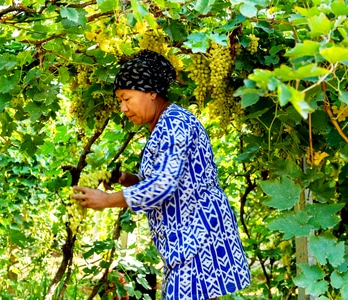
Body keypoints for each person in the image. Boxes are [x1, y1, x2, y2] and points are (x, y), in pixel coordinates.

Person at [72, 50, 251, 299]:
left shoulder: (174, 123)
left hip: (198, 236)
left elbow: (163, 186)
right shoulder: (162, 124)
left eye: (127, 98)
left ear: (151, 93)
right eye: (119, 101)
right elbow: (166, 180)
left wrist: (106, 200)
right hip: (187, 238)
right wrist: (126, 178)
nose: (122, 108)